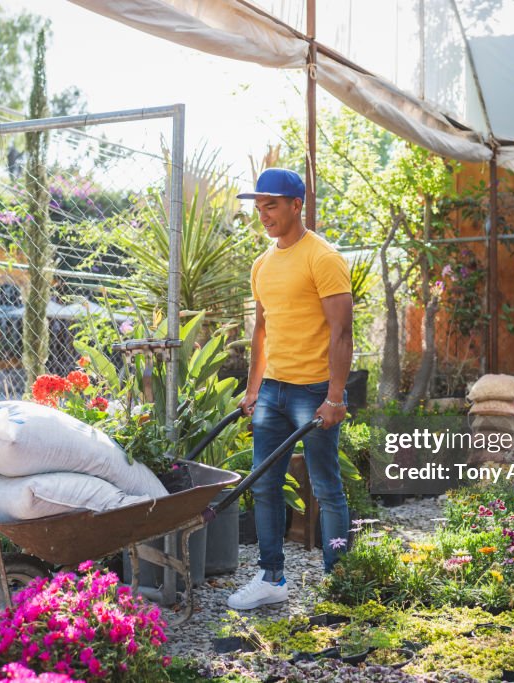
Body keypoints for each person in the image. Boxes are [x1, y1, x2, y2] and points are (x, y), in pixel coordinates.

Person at [227, 168, 353, 611]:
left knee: (325, 486)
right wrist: (252, 388)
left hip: (313, 390)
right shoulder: (262, 264)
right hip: (274, 392)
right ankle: (271, 578)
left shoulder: (323, 257)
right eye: (258, 206)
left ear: (297, 205)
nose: (263, 214)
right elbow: (262, 330)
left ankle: (340, 581)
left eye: (272, 205)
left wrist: (335, 396)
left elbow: (342, 332)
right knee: (265, 486)